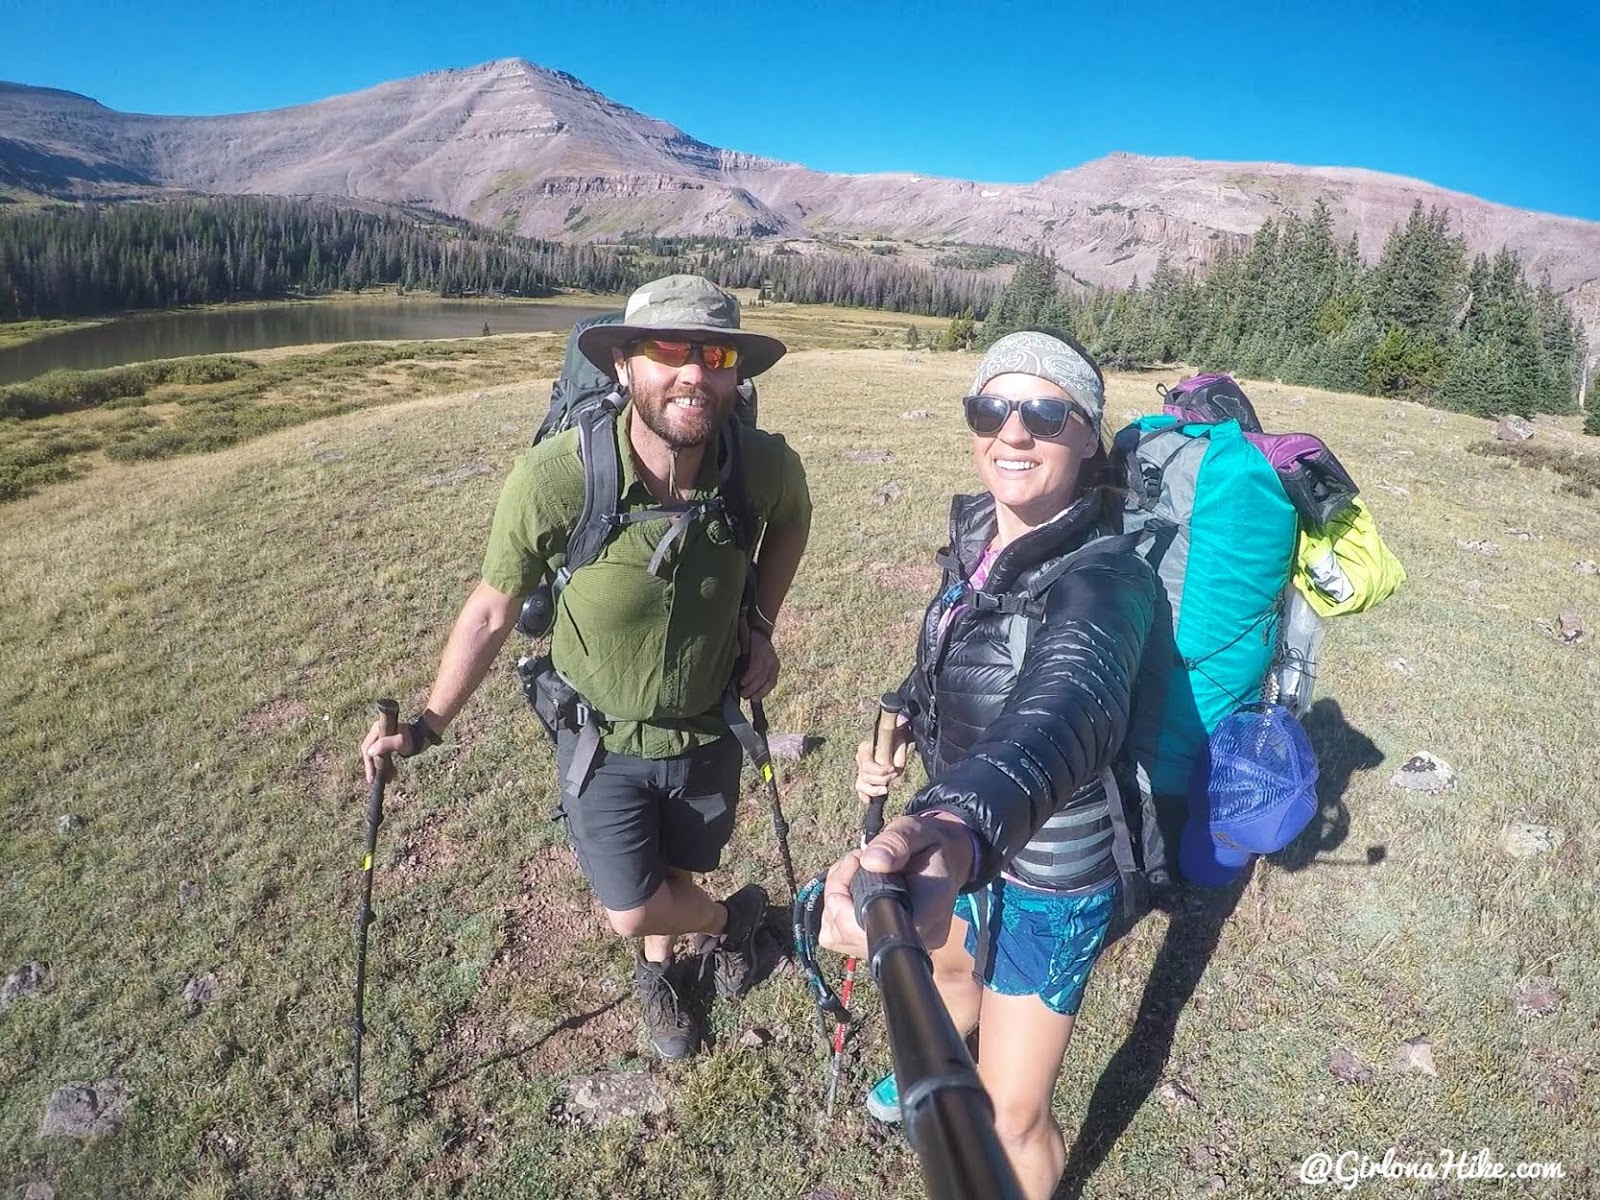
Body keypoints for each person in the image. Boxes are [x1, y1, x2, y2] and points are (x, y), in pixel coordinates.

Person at [362, 275, 812, 1060]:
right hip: (600, 738)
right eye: (669, 350)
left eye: (713, 354)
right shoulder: (558, 478)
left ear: (734, 374)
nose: (693, 373)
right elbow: (492, 609)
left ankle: (664, 973)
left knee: (680, 863)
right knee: (634, 907)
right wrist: (428, 726)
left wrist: (760, 624)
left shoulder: (760, 468)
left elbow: (795, 520)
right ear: (624, 366)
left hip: (708, 726)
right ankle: (724, 922)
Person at [819, 330, 1156, 1199]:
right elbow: (953, 659)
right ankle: (941, 1052)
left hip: (1047, 869)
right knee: (954, 969)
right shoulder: (979, 538)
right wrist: (895, 726)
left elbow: (1062, 710)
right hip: (969, 841)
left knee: (1010, 1118)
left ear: (1087, 435)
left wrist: (953, 822)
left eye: (1045, 411)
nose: (1013, 431)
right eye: (991, 407)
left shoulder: (1107, 577)